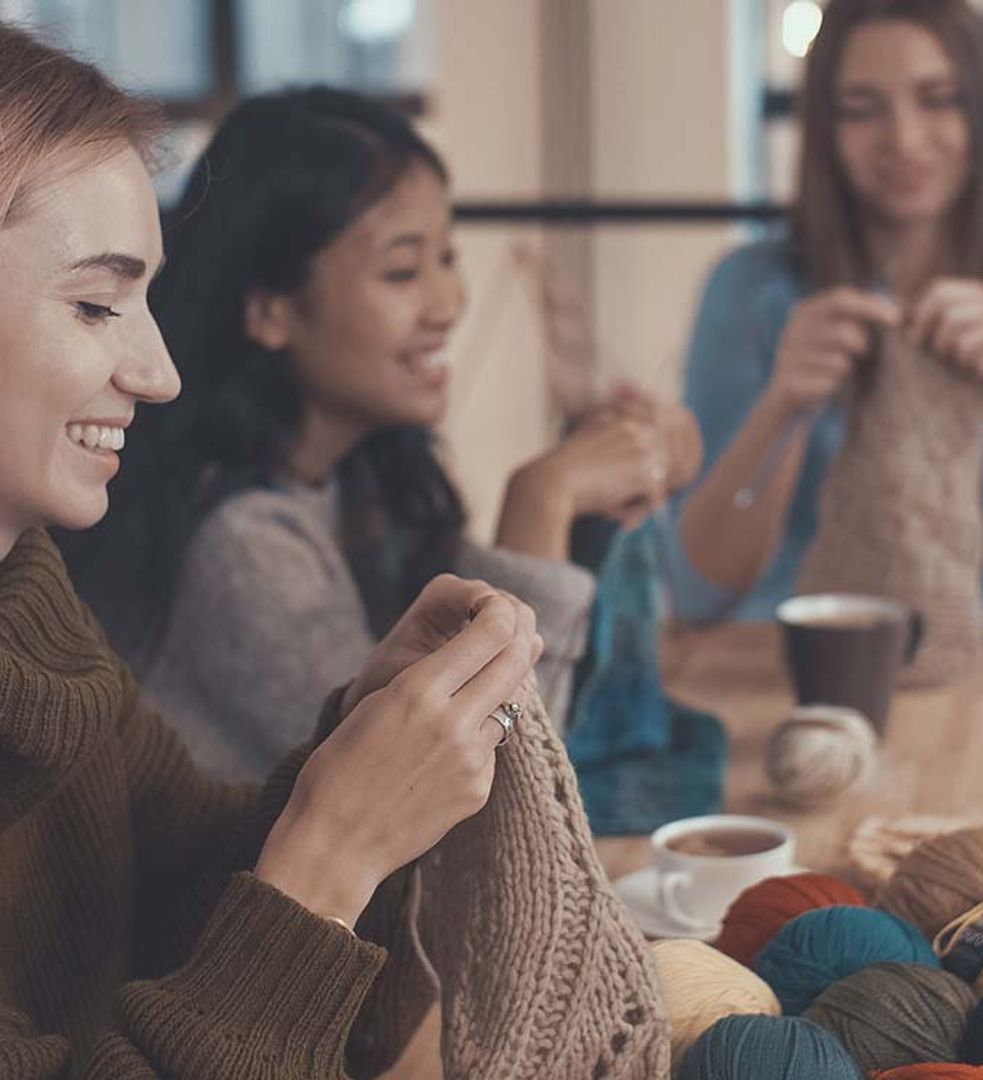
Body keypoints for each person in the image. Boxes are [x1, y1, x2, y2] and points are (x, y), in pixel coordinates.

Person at [0, 22, 667, 1077]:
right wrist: (336, 848)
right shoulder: (235, 538)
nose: (156, 372)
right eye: (95, 305)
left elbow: (176, 878)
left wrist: (357, 737)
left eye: (144, 304)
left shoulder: (24, 598)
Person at [59, 87, 701, 780]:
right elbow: (482, 803)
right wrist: (542, 500)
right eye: (402, 270)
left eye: (447, 258)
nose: (449, 304)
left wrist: (600, 494)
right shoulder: (238, 547)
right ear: (271, 309)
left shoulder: (359, 476)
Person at [669, 0, 983, 632]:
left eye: (938, 98)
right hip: (791, 675)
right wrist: (784, 404)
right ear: (824, 128)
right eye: (862, 109)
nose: (904, 139)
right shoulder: (754, 291)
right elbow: (697, 589)